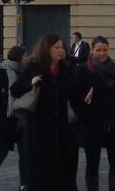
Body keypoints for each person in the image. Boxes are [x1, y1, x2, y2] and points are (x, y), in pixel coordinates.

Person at [11, 33, 79, 190]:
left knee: (63, 169)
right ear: (47, 49)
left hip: (62, 128)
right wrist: (31, 82)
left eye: (62, 47)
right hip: (39, 129)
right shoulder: (35, 67)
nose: (60, 50)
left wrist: (85, 102)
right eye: (56, 47)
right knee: (41, 171)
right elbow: (15, 90)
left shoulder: (67, 69)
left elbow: (74, 95)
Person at [75, 35, 115, 191]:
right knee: (92, 165)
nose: (102, 53)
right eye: (98, 50)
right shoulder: (84, 70)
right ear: (92, 51)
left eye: (104, 49)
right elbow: (75, 95)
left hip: (112, 124)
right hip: (92, 124)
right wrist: (84, 103)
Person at [0, 44, 28, 191]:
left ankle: (23, 184)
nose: (27, 58)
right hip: (6, 119)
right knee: (1, 153)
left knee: (24, 153)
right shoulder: (2, 72)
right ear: (19, 57)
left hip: (21, 119)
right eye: (25, 55)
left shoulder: (23, 72)